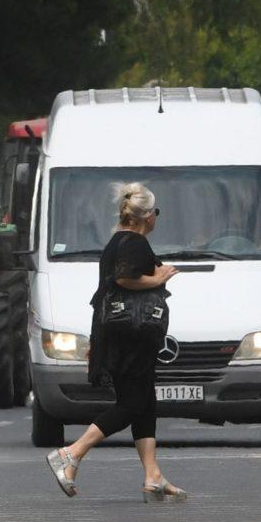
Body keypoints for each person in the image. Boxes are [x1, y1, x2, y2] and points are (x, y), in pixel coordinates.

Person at [46, 182, 188, 502]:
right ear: (146, 216)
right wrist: (159, 278)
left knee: (144, 402)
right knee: (132, 404)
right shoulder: (133, 242)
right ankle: (71, 453)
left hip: (120, 335)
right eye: (156, 213)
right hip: (130, 337)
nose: (157, 219)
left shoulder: (117, 241)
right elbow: (125, 278)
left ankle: (152, 475)